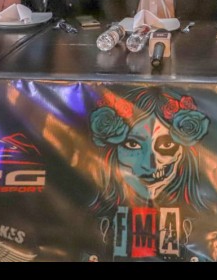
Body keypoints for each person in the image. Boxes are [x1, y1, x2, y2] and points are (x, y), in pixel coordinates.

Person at [89, 86, 210, 219]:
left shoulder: (209, 221)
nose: (150, 165)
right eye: (133, 144)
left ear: (185, 152)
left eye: (166, 145)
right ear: (113, 150)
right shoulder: (86, 220)